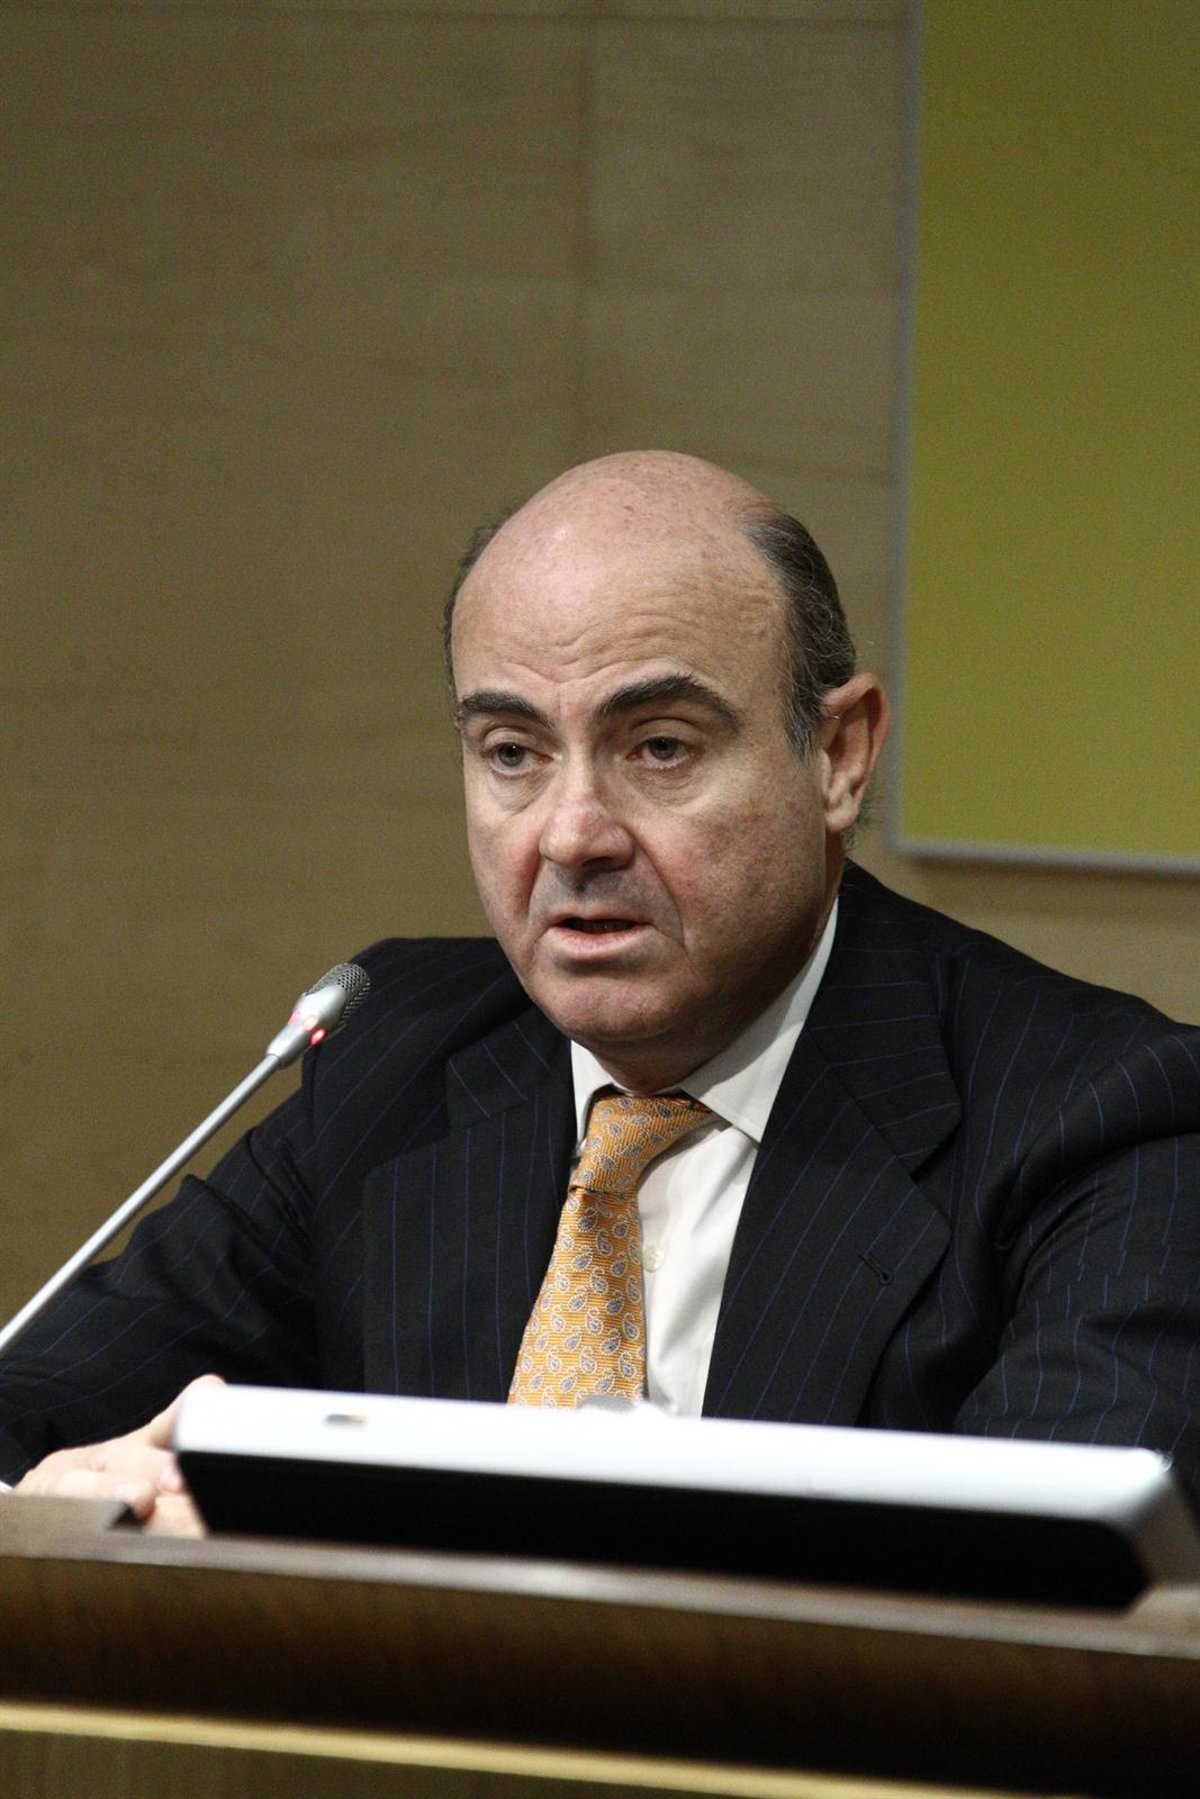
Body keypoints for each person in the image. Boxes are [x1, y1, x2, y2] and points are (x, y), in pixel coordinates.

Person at [5, 451, 1199, 1536]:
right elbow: (33, 1401)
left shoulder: (1105, 1119)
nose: (571, 834)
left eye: (660, 745)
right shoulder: (399, 1051)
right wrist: (75, 1503)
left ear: (838, 754)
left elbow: (1045, 1598)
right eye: (512, 752)